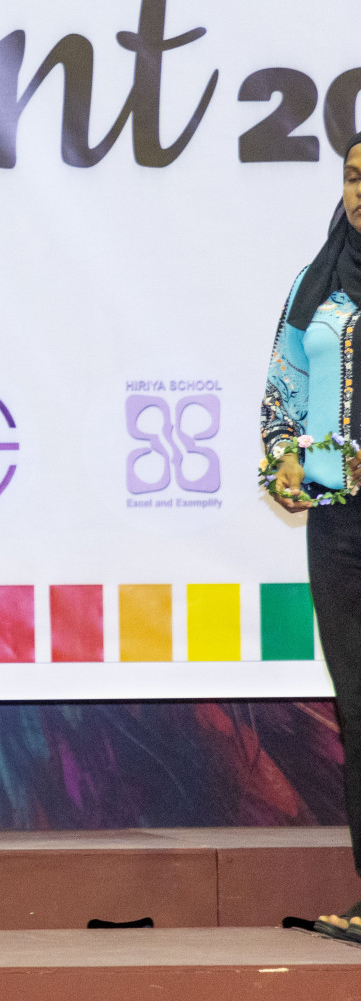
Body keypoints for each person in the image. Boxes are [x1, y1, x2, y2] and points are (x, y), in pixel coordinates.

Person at [262, 130, 361, 942]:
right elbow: (282, 392)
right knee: (358, 705)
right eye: (355, 176)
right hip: (341, 524)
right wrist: (285, 462)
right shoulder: (315, 283)